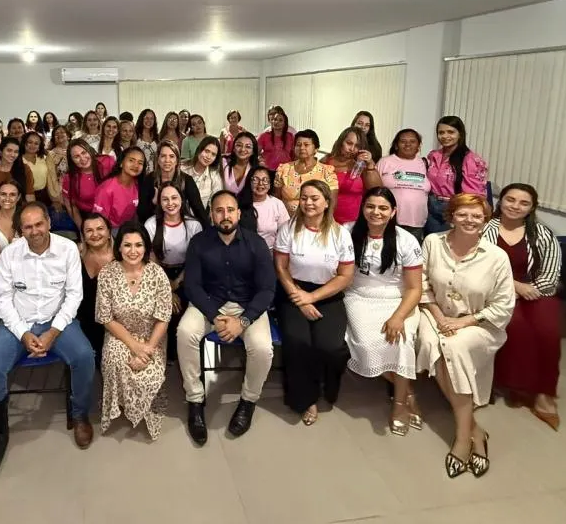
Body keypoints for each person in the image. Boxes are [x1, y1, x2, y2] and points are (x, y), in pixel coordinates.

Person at [0, 204, 96, 485]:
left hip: (58, 320)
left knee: (84, 357)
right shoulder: (10, 255)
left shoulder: (67, 249)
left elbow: (74, 296)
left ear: (48, 222)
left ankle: (80, 415)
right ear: (20, 230)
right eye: (28, 227)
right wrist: (22, 333)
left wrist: (53, 332)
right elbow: (2, 300)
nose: (35, 231)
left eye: (39, 224)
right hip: (19, 322)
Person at [417, 193, 514, 478]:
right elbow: (422, 284)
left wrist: (462, 322)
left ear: (485, 220)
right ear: (451, 216)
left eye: (476, 216)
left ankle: (461, 439)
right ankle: (474, 431)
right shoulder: (432, 242)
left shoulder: (496, 257)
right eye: (462, 214)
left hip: (479, 323)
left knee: (454, 346)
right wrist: (440, 318)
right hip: (435, 314)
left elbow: (503, 305)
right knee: (430, 342)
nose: (469, 220)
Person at [177, 191, 276, 444]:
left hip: (247, 307)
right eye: (219, 210)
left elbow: (267, 289)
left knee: (262, 348)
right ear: (212, 215)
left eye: (230, 210)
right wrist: (214, 315)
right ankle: (195, 399)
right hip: (209, 304)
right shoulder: (199, 242)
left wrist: (243, 321)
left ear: (238, 214)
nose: (225, 215)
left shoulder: (256, 243)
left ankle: (248, 401)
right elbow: (192, 286)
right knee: (185, 333)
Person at [481, 183, 563, 429]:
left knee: (548, 332)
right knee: (516, 327)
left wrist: (528, 290)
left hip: (537, 292)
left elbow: (550, 276)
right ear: (501, 201)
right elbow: (480, 269)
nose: (515, 206)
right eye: (510, 199)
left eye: (523, 203)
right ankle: (516, 387)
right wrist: (515, 287)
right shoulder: (485, 229)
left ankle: (544, 394)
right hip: (496, 292)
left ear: (532, 207)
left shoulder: (543, 234)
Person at [274, 181, 355, 425]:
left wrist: (313, 298)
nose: (308, 203)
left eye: (315, 198)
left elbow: (345, 276)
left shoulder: (340, 234)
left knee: (330, 346)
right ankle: (305, 399)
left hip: (328, 293)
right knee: (299, 342)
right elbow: (281, 267)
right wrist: (300, 298)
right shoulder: (289, 228)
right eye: (304, 197)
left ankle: (326, 387)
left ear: (327, 202)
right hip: (293, 290)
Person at [344, 188, 424, 435]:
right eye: (370, 206)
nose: (376, 212)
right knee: (368, 345)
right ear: (362, 208)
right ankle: (408, 391)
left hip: (398, 300)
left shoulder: (406, 240)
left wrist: (398, 317)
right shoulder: (347, 232)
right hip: (359, 297)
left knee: (402, 342)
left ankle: (399, 405)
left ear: (393, 212)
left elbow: (415, 288)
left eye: (383, 208)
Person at [96, 223, 172, 439]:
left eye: (138, 245)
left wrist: (147, 349)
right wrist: (134, 346)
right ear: (119, 247)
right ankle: (119, 404)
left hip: (152, 337)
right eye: (127, 245)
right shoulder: (107, 274)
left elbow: (163, 318)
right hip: (119, 334)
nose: (133, 251)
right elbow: (106, 318)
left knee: (148, 375)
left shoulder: (157, 274)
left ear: (145, 247)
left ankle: (144, 406)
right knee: (114, 360)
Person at [145, 183, 203, 360]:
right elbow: (150, 258)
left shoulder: (193, 225)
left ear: (182, 199)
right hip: (158, 273)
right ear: (159, 202)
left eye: (174, 198)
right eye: (165, 199)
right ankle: (161, 353)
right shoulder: (151, 224)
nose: (170, 203)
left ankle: (183, 353)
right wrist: (167, 288)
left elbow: (195, 259)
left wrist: (177, 283)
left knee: (183, 308)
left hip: (186, 273)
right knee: (163, 307)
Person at [425, 116, 489, 235]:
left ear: (460, 134)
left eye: (451, 132)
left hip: (455, 207)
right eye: (441, 132)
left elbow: (475, 195)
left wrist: (464, 213)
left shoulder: (471, 159)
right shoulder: (434, 155)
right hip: (431, 206)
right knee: (433, 241)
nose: (445, 136)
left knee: (452, 243)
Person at [136, 140, 208, 225]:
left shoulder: (187, 180)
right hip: (155, 225)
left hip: (180, 225)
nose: (167, 160)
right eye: (163, 156)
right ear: (158, 159)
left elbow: (199, 211)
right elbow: (141, 214)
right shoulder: (149, 180)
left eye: (171, 156)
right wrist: (154, 202)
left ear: (177, 160)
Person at [377, 129, 431, 240]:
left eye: (412, 141)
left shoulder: (425, 163)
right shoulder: (385, 162)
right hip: (389, 220)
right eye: (403, 141)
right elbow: (373, 188)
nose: (408, 144)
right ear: (396, 145)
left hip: (417, 223)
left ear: (418, 145)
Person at [321, 127, 382, 224]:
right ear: (341, 141)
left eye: (357, 146)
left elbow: (377, 191)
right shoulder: (326, 161)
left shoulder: (361, 165)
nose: (352, 149)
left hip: (352, 223)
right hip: (325, 220)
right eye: (349, 143)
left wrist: (370, 163)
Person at [77, 213, 115, 360]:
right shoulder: (76, 256)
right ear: (83, 236)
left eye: (100, 229)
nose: (95, 234)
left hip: (114, 324)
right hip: (84, 322)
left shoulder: (121, 257)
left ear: (109, 232)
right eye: (89, 230)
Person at [274, 129, 338, 215]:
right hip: (286, 219)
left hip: (315, 220)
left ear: (316, 149)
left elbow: (332, 202)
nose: (302, 148)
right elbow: (277, 198)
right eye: (298, 145)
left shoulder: (326, 171)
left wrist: (326, 221)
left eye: (306, 145)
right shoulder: (284, 169)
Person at [92, 147, 145, 231]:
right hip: (111, 229)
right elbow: (98, 221)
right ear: (121, 163)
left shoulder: (138, 184)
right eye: (131, 160)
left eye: (140, 162)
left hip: (129, 227)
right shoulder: (106, 189)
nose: (136, 165)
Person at [238, 166, 290, 250]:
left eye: (265, 180)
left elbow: (285, 233)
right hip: (245, 250)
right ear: (249, 182)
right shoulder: (239, 204)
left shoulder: (277, 204)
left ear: (270, 184)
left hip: (270, 250)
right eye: (256, 179)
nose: (260, 183)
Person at [0, 138, 35, 213]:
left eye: (16, 152)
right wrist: (0, 216)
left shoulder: (25, 169)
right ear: (1, 152)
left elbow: (29, 195)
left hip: (20, 212)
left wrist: (31, 212)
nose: (13, 154)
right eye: (9, 150)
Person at [62, 140, 103, 229]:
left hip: (112, 215)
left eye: (84, 152)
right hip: (87, 217)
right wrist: (82, 228)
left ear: (90, 150)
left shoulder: (105, 164)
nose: (82, 158)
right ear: (72, 160)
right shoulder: (69, 178)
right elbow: (70, 206)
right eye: (76, 156)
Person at [181, 135, 224, 208]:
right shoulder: (182, 168)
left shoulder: (214, 176)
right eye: (207, 151)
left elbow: (215, 204)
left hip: (201, 214)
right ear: (199, 150)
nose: (208, 157)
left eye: (213, 154)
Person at [21, 131, 57, 206]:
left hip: (45, 195)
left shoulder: (44, 158)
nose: (32, 145)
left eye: (36, 143)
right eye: (30, 142)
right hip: (26, 196)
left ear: (39, 147)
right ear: (24, 143)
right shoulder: (19, 160)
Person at [257, 107, 294, 171]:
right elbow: (255, 153)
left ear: (285, 123)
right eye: (275, 119)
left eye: (280, 120)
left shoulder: (290, 137)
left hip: (285, 171)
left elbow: (295, 155)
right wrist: (260, 160)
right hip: (267, 170)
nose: (276, 122)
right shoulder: (264, 136)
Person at [135, 108, 159, 173]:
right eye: (146, 118)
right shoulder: (135, 135)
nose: (149, 121)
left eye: (152, 118)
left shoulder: (157, 137)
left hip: (153, 173)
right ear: (141, 119)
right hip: (138, 172)